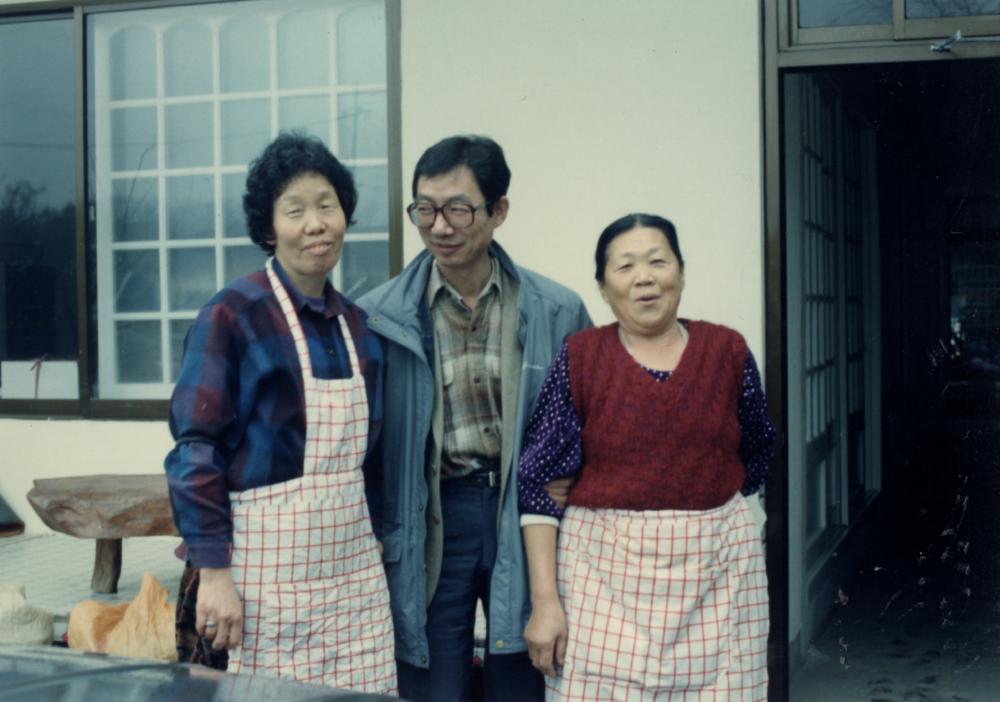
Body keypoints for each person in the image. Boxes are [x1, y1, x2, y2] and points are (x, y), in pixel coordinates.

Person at [358, 135, 591, 702]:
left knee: (524, 675)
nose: (440, 225)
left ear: (499, 210)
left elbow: (591, 422)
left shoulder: (555, 309)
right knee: (435, 679)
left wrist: (574, 480)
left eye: (459, 208)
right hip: (433, 515)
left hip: (527, 515)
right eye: (425, 209)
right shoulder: (378, 316)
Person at [164, 132, 396, 695]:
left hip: (352, 578)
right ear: (270, 228)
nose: (315, 224)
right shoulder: (232, 315)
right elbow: (195, 450)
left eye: (328, 206)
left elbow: (371, 459)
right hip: (256, 578)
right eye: (296, 210)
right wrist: (214, 573)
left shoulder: (359, 328)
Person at [518, 213, 775, 700]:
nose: (644, 277)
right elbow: (539, 482)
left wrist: (704, 511)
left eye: (658, 260)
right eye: (625, 266)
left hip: (716, 576)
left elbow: (757, 447)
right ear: (602, 287)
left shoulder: (728, 350)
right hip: (602, 577)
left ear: (681, 270)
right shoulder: (581, 355)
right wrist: (545, 602)